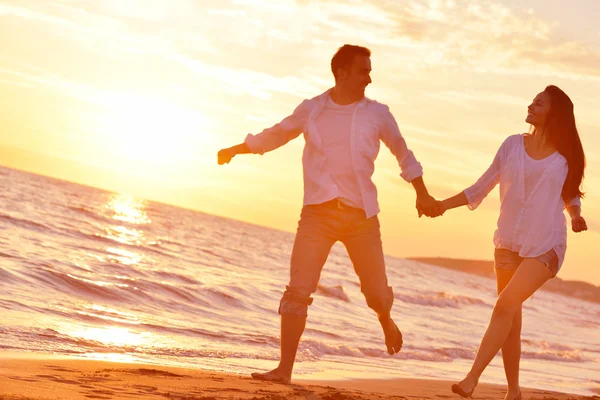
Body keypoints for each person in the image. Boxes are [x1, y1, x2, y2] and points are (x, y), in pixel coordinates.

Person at [217, 44, 438, 384]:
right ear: (342, 73)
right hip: (317, 215)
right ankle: (284, 370)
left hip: (362, 218)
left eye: (369, 69)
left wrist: (422, 193)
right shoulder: (313, 110)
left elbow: (403, 154)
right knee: (297, 291)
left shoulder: (377, 114)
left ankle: (385, 316)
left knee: (376, 294)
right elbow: (278, 133)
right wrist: (237, 149)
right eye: (363, 70)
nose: (369, 77)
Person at [430, 85, 587, 400]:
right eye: (532, 100)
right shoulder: (512, 146)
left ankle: (471, 380)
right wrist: (442, 205)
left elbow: (570, 194)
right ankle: (514, 391)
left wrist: (575, 215)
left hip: (545, 246)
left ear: (554, 113)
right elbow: (482, 186)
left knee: (503, 306)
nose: (530, 105)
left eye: (539, 103)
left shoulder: (564, 158)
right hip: (507, 243)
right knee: (510, 317)